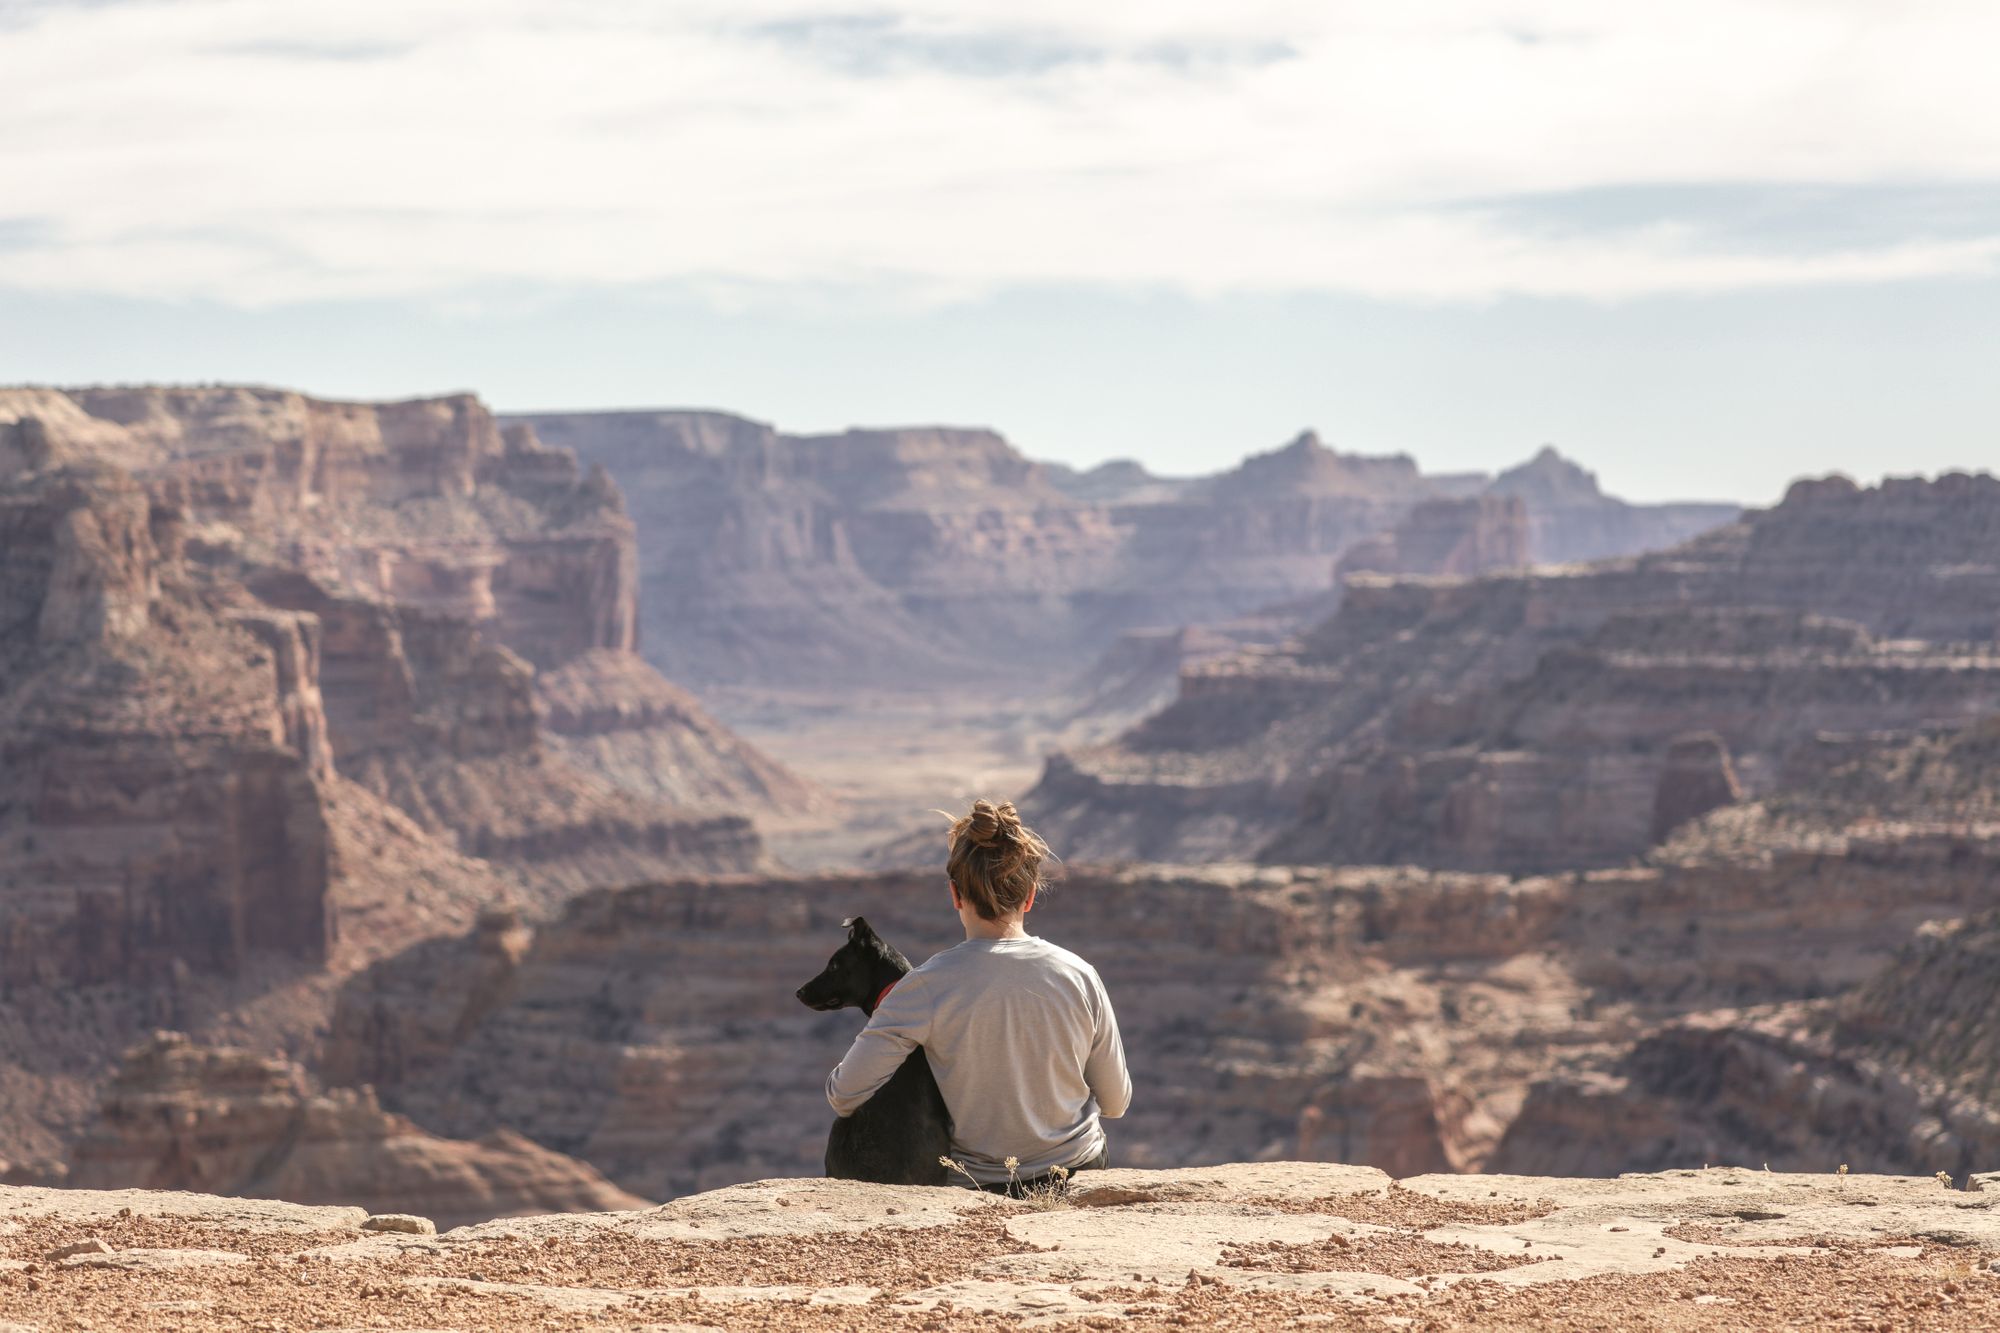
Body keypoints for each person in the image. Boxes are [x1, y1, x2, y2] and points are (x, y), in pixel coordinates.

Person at [825, 798, 1131, 1194]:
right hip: (1077, 1174)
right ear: (1030, 895)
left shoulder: (923, 987)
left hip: (981, 1187)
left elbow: (843, 1095)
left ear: (955, 894)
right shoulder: (1079, 975)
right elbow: (1116, 1102)